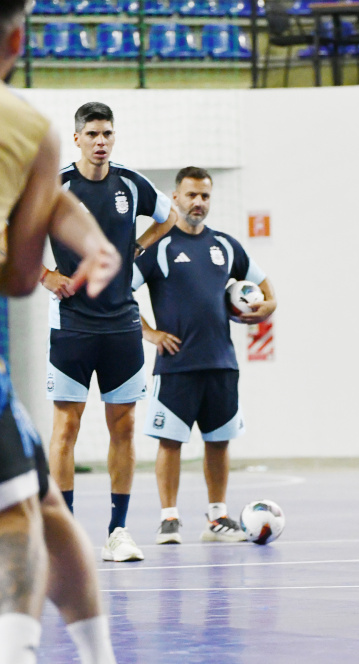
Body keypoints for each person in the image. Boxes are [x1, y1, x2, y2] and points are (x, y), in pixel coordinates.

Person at [0, 1, 121, 660]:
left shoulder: (37, 138)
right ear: (18, 39)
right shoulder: (30, 128)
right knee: (23, 508)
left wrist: (85, 235)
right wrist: (91, 243)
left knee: (36, 501)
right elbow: (21, 278)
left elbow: (48, 199)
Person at [41, 102, 178, 563]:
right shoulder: (54, 185)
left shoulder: (131, 184)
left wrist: (140, 244)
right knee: (66, 428)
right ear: (76, 138)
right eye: (93, 134)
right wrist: (45, 275)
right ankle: (67, 537)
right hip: (72, 326)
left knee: (124, 427)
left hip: (121, 325)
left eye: (108, 134)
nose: (101, 142)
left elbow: (171, 216)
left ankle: (118, 532)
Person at [132, 167, 277, 545]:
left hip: (222, 363)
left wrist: (263, 309)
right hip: (176, 365)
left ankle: (217, 518)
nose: (198, 202)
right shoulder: (158, 247)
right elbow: (120, 293)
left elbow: (267, 291)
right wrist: (150, 334)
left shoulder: (227, 246)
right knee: (170, 442)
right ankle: (169, 519)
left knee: (218, 441)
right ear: (176, 198)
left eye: (205, 196)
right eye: (191, 195)